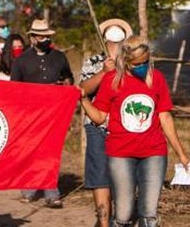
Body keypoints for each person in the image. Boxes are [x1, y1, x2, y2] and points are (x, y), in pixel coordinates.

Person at [79, 36, 190, 227]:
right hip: (121, 154)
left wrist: (182, 154)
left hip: (154, 152)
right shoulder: (111, 81)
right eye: (138, 64)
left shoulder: (157, 79)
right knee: (123, 214)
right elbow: (99, 118)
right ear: (126, 62)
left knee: (149, 213)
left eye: (146, 62)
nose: (143, 66)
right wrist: (84, 100)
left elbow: (165, 117)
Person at [10, 18, 73, 208]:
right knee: (32, 150)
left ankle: (51, 191)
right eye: (40, 36)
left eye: (47, 36)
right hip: (30, 113)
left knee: (51, 150)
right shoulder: (21, 61)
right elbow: (14, 89)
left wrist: (65, 85)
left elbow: (69, 77)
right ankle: (29, 188)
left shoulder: (59, 57)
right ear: (32, 38)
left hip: (55, 111)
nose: (44, 39)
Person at [78, 18, 133, 227]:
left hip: (125, 128)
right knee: (100, 176)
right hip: (97, 126)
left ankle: (120, 218)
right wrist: (103, 72)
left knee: (123, 178)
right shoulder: (93, 62)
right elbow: (83, 89)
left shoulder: (132, 63)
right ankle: (103, 221)